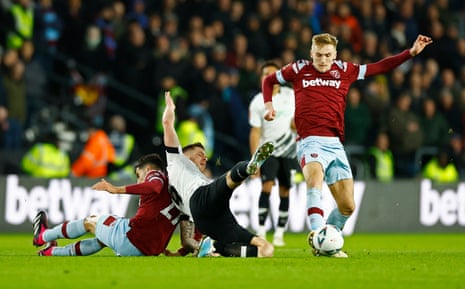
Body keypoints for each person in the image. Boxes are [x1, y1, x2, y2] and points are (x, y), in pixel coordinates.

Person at [262, 33, 433, 257]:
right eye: (319, 55)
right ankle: (317, 235)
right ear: (311, 53)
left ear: (335, 55)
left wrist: (409, 53)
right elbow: (269, 80)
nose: (323, 60)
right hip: (309, 139)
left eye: (328, 55)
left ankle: (327, 241)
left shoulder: (345, 70)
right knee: (315, 181)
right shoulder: (298, 69)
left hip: (335, 144)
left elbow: (379, 67)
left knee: (347, 206)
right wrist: (268, 106)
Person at [162, 91, 275, 258]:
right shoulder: (176, 160)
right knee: (228, 180)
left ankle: (218, 249)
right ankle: (248, 167)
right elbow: (167, 123)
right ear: (185, 154)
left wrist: (181, 252)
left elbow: (186, 229)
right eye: (200, 153)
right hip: (201, 198)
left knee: (266, 250)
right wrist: (170, 107)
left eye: (206, 156)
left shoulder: (190, 178)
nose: (205, 158)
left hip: (212, 217)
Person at [32, 153, 198, 256]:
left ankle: (42, 236)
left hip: (131, 239)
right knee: (102, 239)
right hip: (147, 251)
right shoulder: (182, 195)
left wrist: (115, 189)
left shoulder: (156, 174)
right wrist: (181, 252)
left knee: (91, 221)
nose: (139, 180)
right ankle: (51, 251)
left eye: (138, 175)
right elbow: (188, 232)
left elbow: (154, 186)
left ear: (146, 169)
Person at [248, 61, 298, 247]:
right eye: (265, 74)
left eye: (272, 73)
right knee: (266, 188)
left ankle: (279, 233)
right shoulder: (257, 101)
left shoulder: (291, 96)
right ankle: (261, 230)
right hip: (268, 151)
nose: (269, 77)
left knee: (285, 190)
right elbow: (255, 133)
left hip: (288, 151)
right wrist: (255, 161)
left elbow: (296, 122)